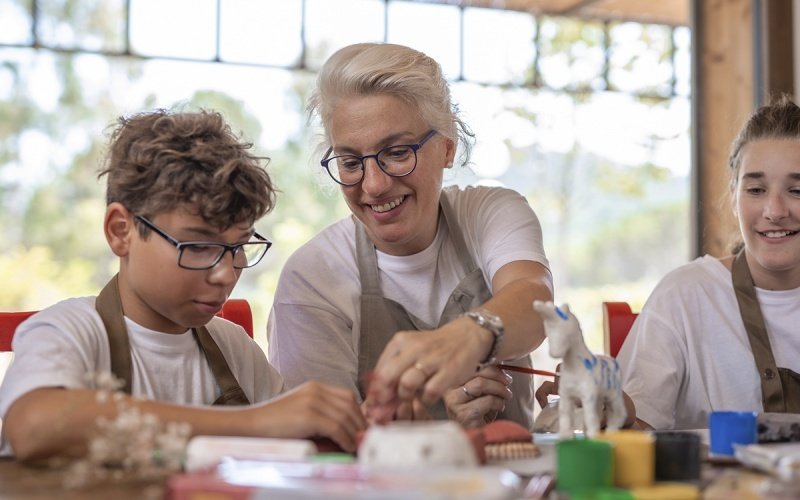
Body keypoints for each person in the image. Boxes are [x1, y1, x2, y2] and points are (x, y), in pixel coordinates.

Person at [0, 109, 366, 461]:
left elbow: (302, 446)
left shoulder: (234, 348)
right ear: (121, 231)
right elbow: (33, 425)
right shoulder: (69, 332)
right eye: (198, 246)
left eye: (238, 247)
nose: (226, 274)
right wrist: (253, 422)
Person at [267, 43, 554, 429]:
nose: (374, 185)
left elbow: (535, 300)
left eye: (398, 153)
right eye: (350, 162)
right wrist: (440, 430)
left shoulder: (489, 213)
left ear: (447, 148)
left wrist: (473, 334)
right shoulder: (312, 277)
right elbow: (321, 445)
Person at [617, 94, 800, 430]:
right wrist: (605, 408)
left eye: (797, 191)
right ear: (733, 196)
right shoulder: (685, 295)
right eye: (756, 190)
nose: (775, 211)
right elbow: (633, 431)